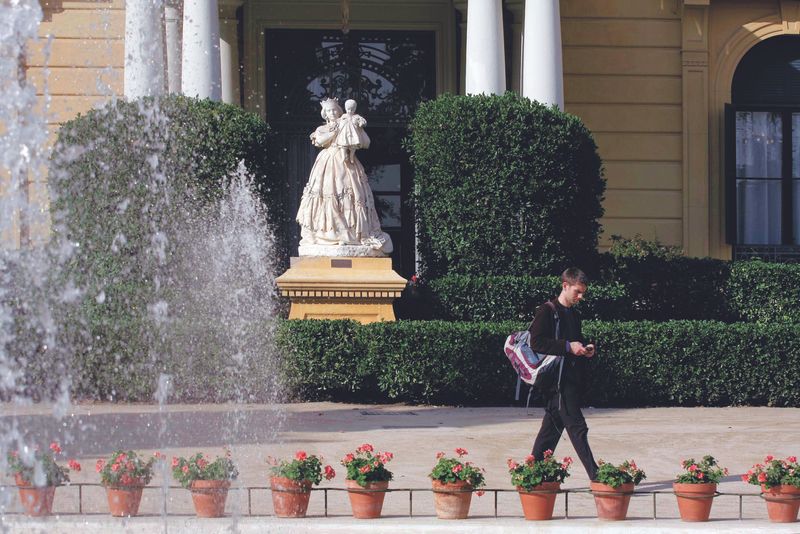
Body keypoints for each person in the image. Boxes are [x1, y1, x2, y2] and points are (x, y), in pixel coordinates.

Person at [295, 97, 392, 253]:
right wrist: (334, 133)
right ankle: (326, 232)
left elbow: (364, 141)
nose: (332, 113)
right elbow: (320, 141)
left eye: (334, 110)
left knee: (352, 193)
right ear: (324, 114)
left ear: (339, 111)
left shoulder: (346, 122)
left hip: (347, 163)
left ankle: (350, 232)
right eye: (328, 111)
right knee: (327, 193)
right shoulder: (322, 129)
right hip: (328, 163)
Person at [528, 267, 599, 481]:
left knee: (552, 429)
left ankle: (533, 474)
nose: (580, 296)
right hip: (556, 382)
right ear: (565, 286)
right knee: (578, 428)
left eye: (583, 292)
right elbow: (536, 342)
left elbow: (574, 342)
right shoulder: (547, 311)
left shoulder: (574, 314)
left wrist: (585, 349)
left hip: (569, 379)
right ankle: (597, 478)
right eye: (577, 291)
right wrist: (568, 347)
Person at [337, 99, 370, 163]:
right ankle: (343, 156)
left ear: (355, 109)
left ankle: (351, 156)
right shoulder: (344, 116)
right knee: (343, 145)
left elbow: (363, 121)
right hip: (344, 134)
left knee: (354, 145)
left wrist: (361, 123)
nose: (350, 111)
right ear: (346, 108)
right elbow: (338, 122)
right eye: (348, 109)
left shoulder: (356, 116)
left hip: (353, 134)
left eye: (352, 109)